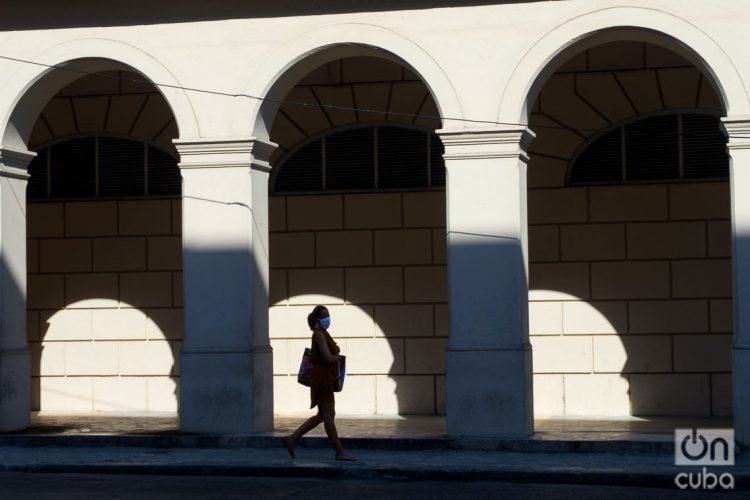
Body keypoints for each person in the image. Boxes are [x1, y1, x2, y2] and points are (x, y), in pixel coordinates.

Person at [282, 305, 356, 461]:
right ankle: (339, 452)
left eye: (328, 315)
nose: (328, 319)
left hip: (325, 376)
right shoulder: (319, 335)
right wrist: (337, 358)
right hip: (322, 377)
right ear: (318, 319)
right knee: (328, 415)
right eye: (325, 316)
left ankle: (292, 438)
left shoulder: (323, 333)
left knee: (324, 414)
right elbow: (328, 357)